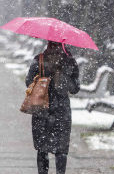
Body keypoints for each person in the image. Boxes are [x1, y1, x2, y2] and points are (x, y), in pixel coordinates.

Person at [25, 41, 79, 174]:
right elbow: (75, 88)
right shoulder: (70, 61)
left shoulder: (39, 59)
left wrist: (41, 80)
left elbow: (28, 82)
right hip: (62, 111)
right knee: (61, 149)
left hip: (42, 109)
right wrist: (62, 78)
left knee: (42, 148)